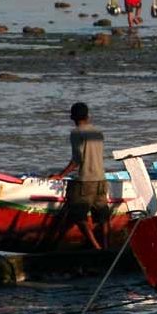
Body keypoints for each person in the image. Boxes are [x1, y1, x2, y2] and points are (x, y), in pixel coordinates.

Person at [49, 102, 109, 250]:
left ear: (72, 117)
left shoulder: (76, 133)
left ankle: (96, 247)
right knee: (103, 216)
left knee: (77, 215)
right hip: (101, 179)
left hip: (86, 181)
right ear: (88, 116)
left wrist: (60, 175)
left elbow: (77, 159)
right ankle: (106, 246)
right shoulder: (98, 132)